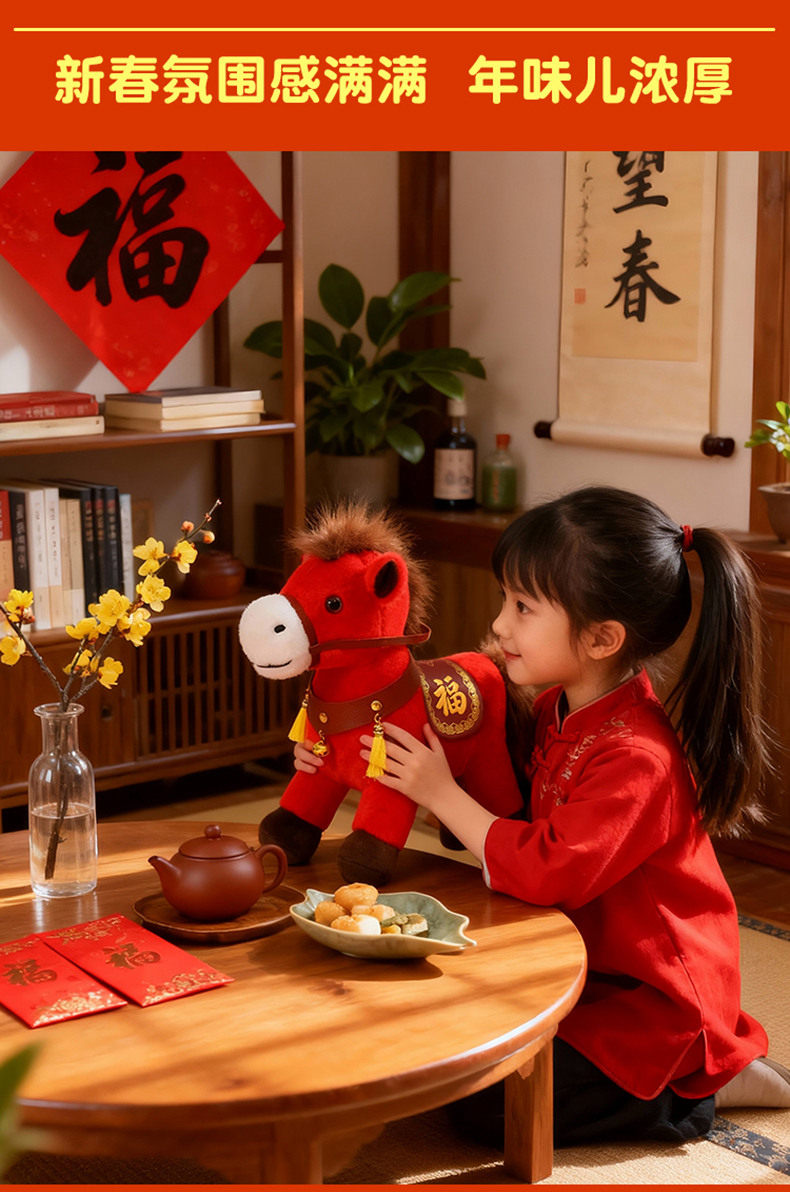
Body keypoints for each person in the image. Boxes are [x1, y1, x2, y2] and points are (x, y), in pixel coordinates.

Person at [295, 485, 790, 1147]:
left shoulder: (638, 758)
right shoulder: (559, 706)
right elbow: (506, 807)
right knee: (429, 1030)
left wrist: (441, 793)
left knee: (486, 1108)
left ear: (602, 638)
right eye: (506, 599)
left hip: (650, 1001)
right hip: (575, 960)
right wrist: (334, 757)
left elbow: (546, 869)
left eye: (523, 607)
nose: (500, 625)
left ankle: (698, 1081)